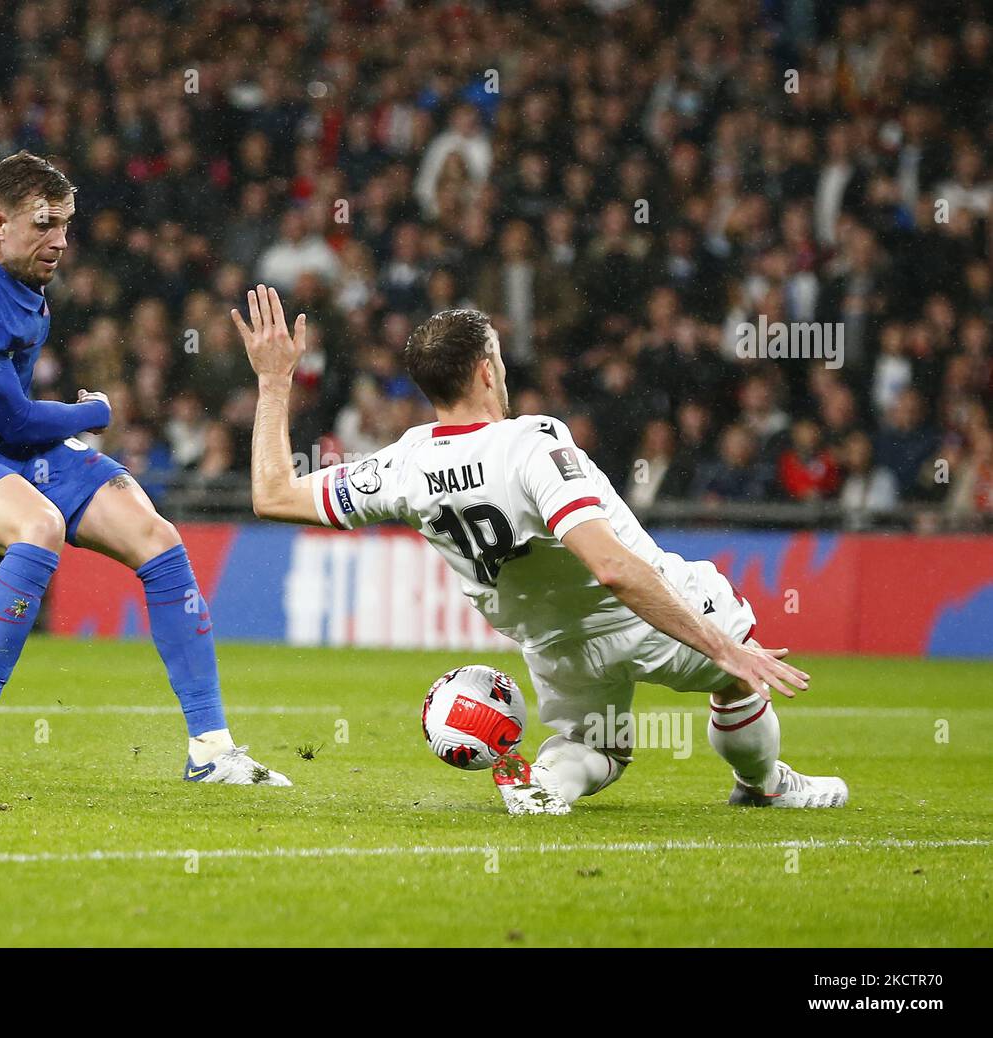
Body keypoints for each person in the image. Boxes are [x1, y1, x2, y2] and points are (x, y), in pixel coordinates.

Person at [233, 289, 846, 814]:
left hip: (558, 648)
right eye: (496, 354)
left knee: (597, 749)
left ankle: (545, 782)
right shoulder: (532, 444)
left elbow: (273, 493)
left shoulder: (403, 464)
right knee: (740, 686)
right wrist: (725, 650)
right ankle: (762, 784)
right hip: (645, 614)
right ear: (485, 371)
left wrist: (273, 382)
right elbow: (610, 567)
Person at [0, 152, 289, 787]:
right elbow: (14, 421)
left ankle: (211, 749)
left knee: (158, 537)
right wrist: (91, 410)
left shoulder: (17, 263)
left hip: (3, 441)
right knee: (39, 526)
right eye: (45, 225)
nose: (60, 240)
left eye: (65, 224)